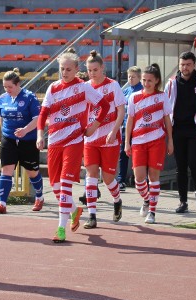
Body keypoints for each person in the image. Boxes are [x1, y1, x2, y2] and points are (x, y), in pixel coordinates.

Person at [36, 48, 109, 243]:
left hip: (74, 141)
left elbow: (105, 105)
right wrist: (39, 135)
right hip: (54, 141)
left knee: (65, 184)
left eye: (69, 69)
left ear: (77, 69)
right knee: (55, 185)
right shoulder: (53, 88)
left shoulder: (83, 88)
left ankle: (61, 228)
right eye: (62, 69)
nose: (65, 72)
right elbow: (43, 114)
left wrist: (94, 126)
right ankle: (75, 210)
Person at [165, 51, 196, 213]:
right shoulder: (172, 83)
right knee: (180, 166)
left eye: (188, 64)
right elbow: (165, 108)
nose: (184, 68)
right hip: (177, 129)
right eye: (182, 65)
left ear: (194, 65)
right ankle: (183, 201)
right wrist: (166, 130)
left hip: (195, 129)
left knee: (194, 162)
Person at [124, 64, 174, 224]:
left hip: (157, 141)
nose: (146, 83)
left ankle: (152, 211)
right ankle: (146, 199)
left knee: (153, 178)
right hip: (138, 142)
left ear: (157, 80)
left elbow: (167, 119)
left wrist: (170, 141)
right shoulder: (134, 97)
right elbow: (130, 120)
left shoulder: (162, 96)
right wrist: (127, 142)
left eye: (149, 80)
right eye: (144, 80)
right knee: (139, 180)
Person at [82, 51, 126, 228]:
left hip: (110, 139)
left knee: (108, 178)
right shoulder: (85, 87)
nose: (92, 73)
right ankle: (92, 215)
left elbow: (121, 111)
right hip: (91, 139)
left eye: (95, 69)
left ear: (102, 68)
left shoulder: (113, 86)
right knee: (91, 176)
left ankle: (117, 200)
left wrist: (114, 131)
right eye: (89, 70)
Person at [0, 68, 44, 214]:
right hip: (9, 138)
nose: (7, 89)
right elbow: (1, 116)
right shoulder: (2, 98)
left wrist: (25, 130)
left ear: (18, 84)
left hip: (27, 139)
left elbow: (37, 118)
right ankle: (1, 202)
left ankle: (39, 197)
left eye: (10, 86)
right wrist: (5, 133)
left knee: (31, 172)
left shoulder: (29, 97)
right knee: (6, 170)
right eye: (5, 87)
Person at [117, 66, 143, 190]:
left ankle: (141, 179)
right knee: (123, 153)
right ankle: (121, 179)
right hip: (126, 126)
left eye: (133, 77)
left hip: (139, 128)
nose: (130, 79)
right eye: (129, 77)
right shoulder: (126, 91)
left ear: (139, 77)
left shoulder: (142, 90)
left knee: (139, 153)